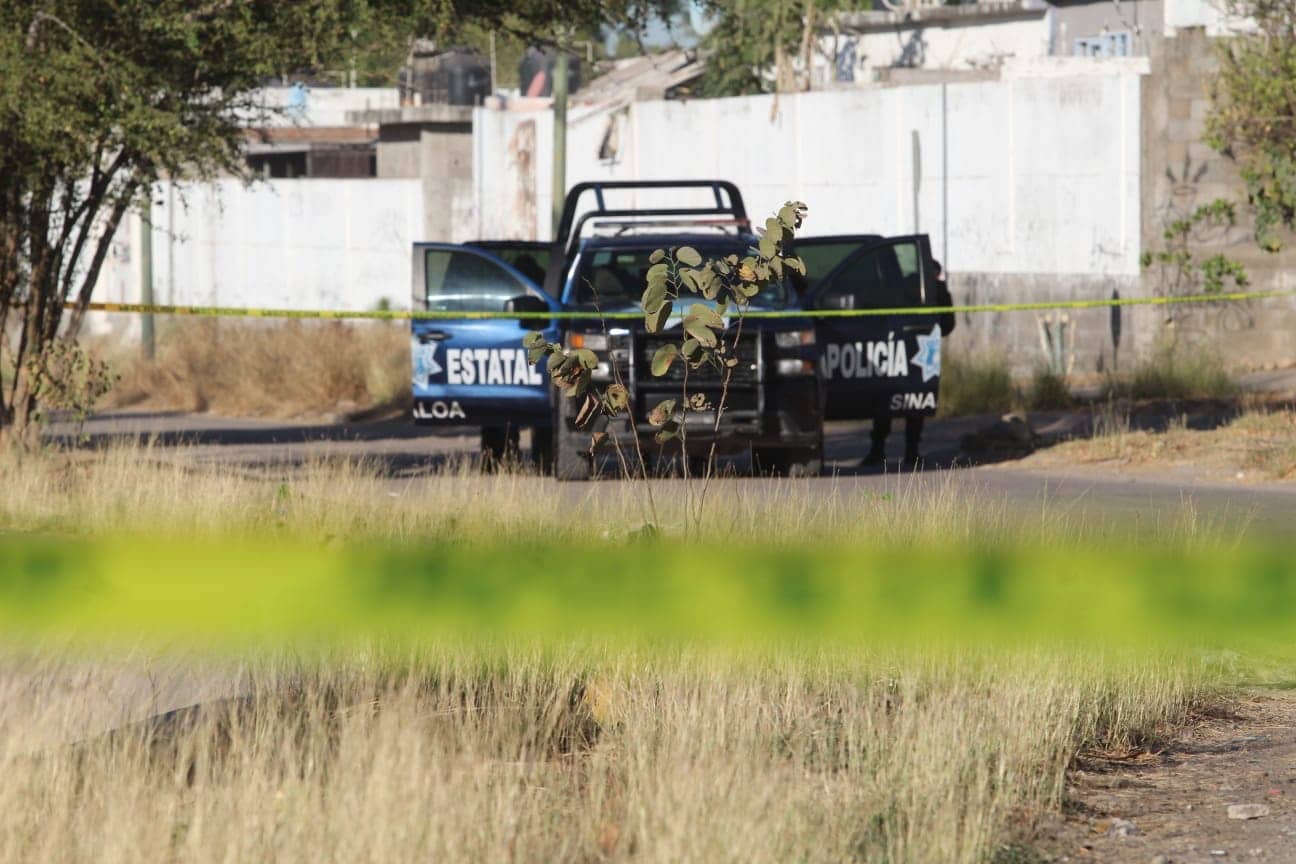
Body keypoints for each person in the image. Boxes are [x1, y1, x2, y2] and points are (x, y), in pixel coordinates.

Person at [863, 259, 956, 468]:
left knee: (893, 399)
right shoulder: (934, 291)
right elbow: (948, 324)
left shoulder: (901, 287)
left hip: (896, 349)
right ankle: (908, 452)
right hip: (920, 353)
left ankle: (880, 450)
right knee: (914, 401)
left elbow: (948, 324)